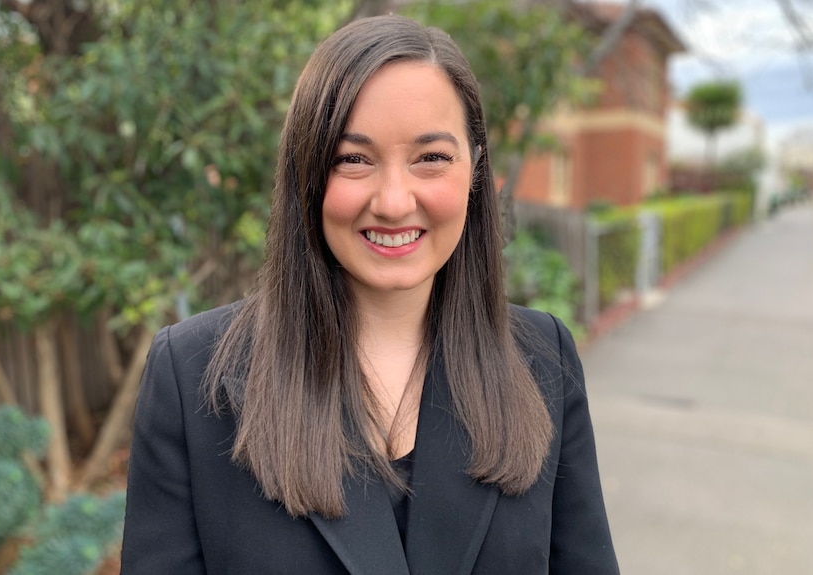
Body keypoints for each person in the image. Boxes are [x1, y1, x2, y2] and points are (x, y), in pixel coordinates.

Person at [120, 14, 619, 575]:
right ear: (306, 174)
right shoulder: (192, 378)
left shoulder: (542, 357)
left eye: (431, 157)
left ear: (475, 171)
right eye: (353, 159)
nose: (393, 201)